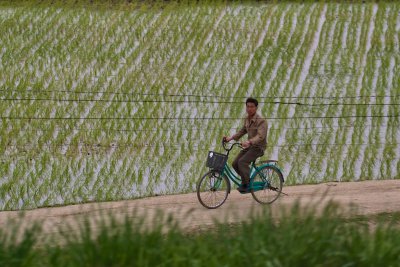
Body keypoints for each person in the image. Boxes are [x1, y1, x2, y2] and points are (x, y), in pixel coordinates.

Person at [224, 97, 268, 192]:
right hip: (250, 146)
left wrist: (249, 141)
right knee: (235, 163)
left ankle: (247, 183)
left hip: (258, 147)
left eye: (252, 107)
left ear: (256, 108)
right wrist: (230, 138)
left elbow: (260, 136)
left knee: (242, 162)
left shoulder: (261, 121)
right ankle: (246, 180)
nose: (249, 109)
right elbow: (242, 131)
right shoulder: (247, 119)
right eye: (247, 106)